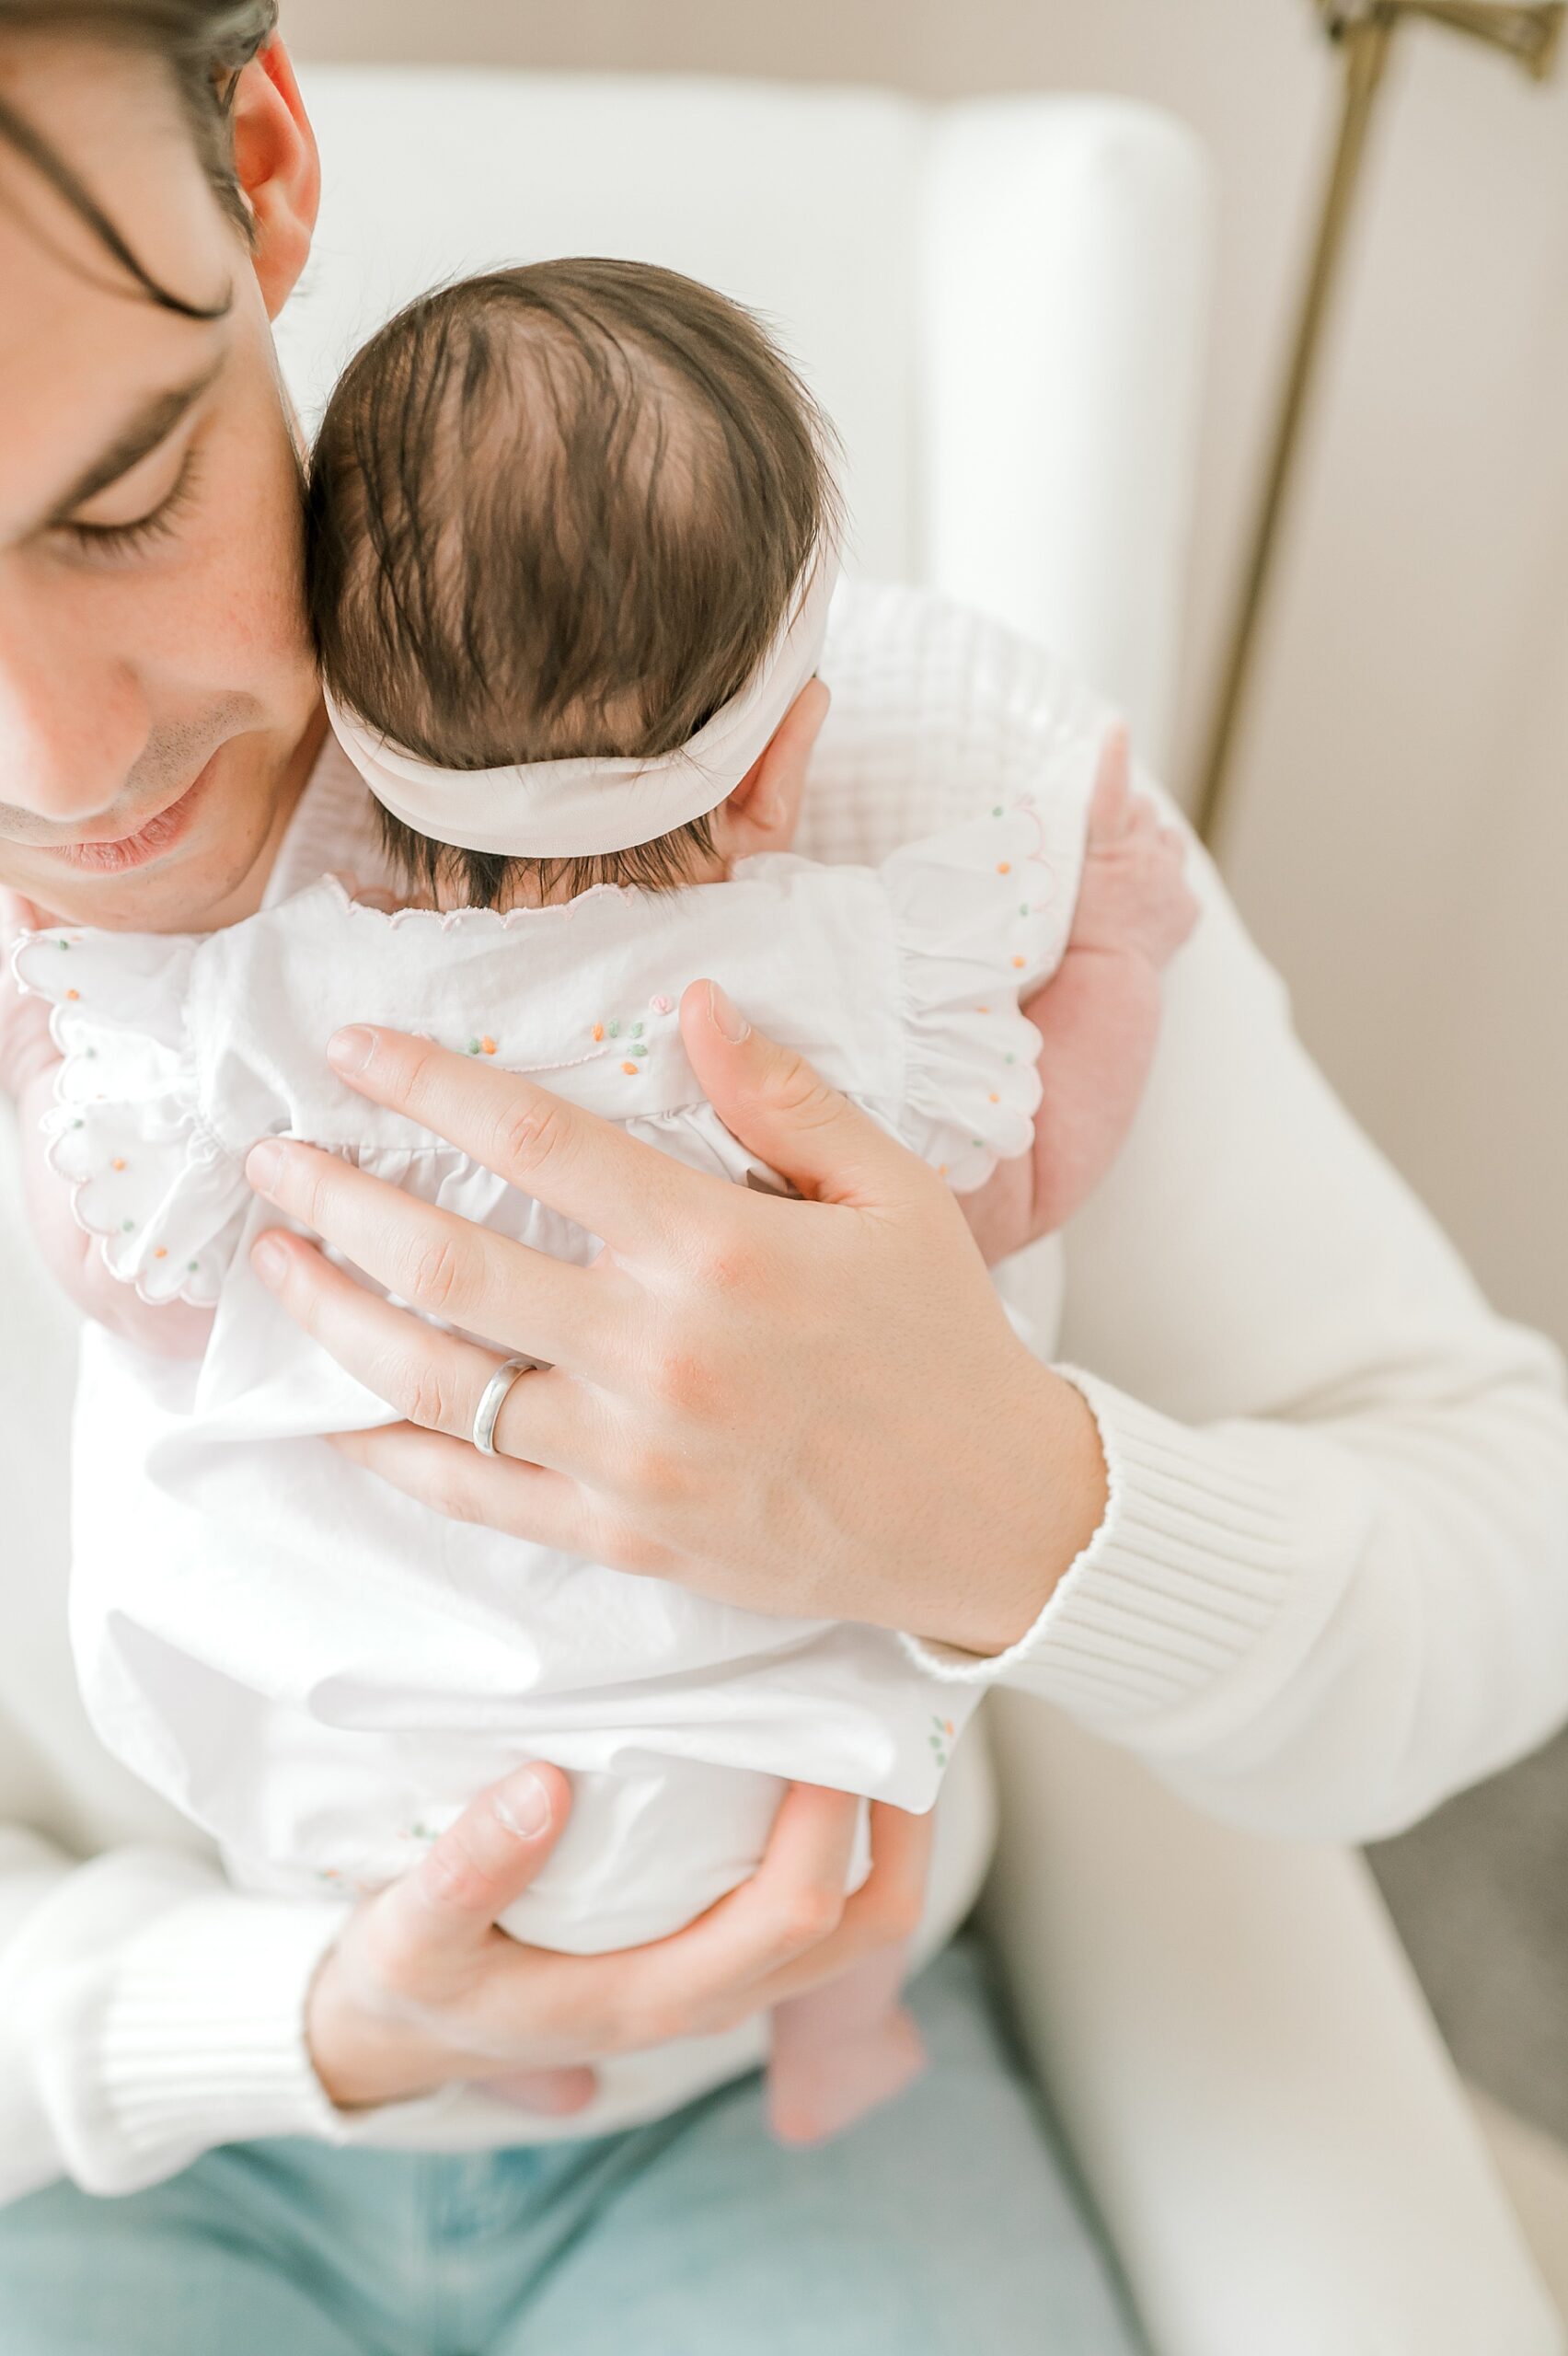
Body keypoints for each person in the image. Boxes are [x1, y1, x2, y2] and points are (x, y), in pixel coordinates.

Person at [0, 7, 1565, 2352]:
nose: (67, 756)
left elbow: (1495, 1556)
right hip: (114, 2138)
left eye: (119, 500)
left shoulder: (915, 802)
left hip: (806, 2095)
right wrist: (298, 2013)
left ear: (262, 161)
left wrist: (1006, 1504)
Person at [2, 252, 1193, 2151]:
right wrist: (1116, 939)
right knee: (834, 1863)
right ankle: (825, 2039)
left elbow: (129, 1270)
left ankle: (491, 2047)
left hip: (356, 1781)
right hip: (753, 1770)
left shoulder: (276, 990)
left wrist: (56, 1045)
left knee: (406, 1857)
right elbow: (1000, 1190)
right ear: (787, 753)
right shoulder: (825, 976)